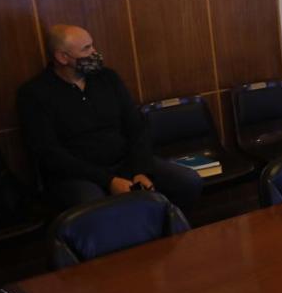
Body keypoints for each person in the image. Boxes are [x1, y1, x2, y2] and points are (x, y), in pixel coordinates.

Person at [16, 25, 202, 211]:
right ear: (62, 57)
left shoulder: (108, 78)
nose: (94, 52)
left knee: (187, 181)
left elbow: (137, 127)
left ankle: (170, 234)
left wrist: (140, 171)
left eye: (92, 45)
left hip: (125, 162)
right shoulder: (34, 94)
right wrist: (108, 181)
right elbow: (50, 154)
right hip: (78, 175)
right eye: (86, 49)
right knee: (98, 209)